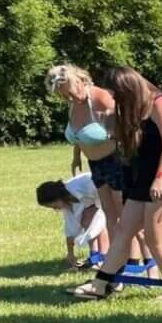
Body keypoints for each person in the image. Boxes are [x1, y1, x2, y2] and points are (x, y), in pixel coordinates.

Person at [68, 67, 162, 300]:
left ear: (129, 88)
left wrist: (161, 177)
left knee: (155, 238)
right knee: (124, 230)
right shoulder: (133, 108)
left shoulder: (161, 104)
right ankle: (100, 284)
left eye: (117, 94)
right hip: (141, 178)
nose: (115, 99)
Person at [46, 64, 128, 251]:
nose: (70, 98)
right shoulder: (73, 106)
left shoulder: (100, 98)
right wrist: (76, 157)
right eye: (64, 96)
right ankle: (116, 259)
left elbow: (124, 126)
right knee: (109, 214)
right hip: (96, 165)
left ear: (79, 80)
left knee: (125, 215)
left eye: (71, 92)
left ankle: (137, 259)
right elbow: (77, 134)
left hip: (115, 162)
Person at [36, 174, 109, 268]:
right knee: (88, 220)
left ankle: (103, 257)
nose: (54, 209)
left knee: (94, 220)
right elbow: (70, 230)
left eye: (53, 206)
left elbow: (99, 217)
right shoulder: (67, 202)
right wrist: (70, 254)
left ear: (57, 197)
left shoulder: (77, 188)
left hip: (110, 190)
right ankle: (94, 256)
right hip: (98, 199)